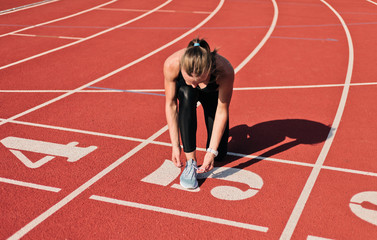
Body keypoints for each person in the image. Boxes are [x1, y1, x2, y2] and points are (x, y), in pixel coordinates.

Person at [164, 38, 234, 189]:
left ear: (209, 70)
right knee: (187, 93)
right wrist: (175, 145)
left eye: (200, 81)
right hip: (186, 97)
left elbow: (222, 111)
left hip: (212, 95)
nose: (195, 85)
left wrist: (211, 151)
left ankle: (215, 148)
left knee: (220, 155)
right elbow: (171, 105)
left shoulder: (224, 70)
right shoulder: (172, 64)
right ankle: (190, 163)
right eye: (190, 81)